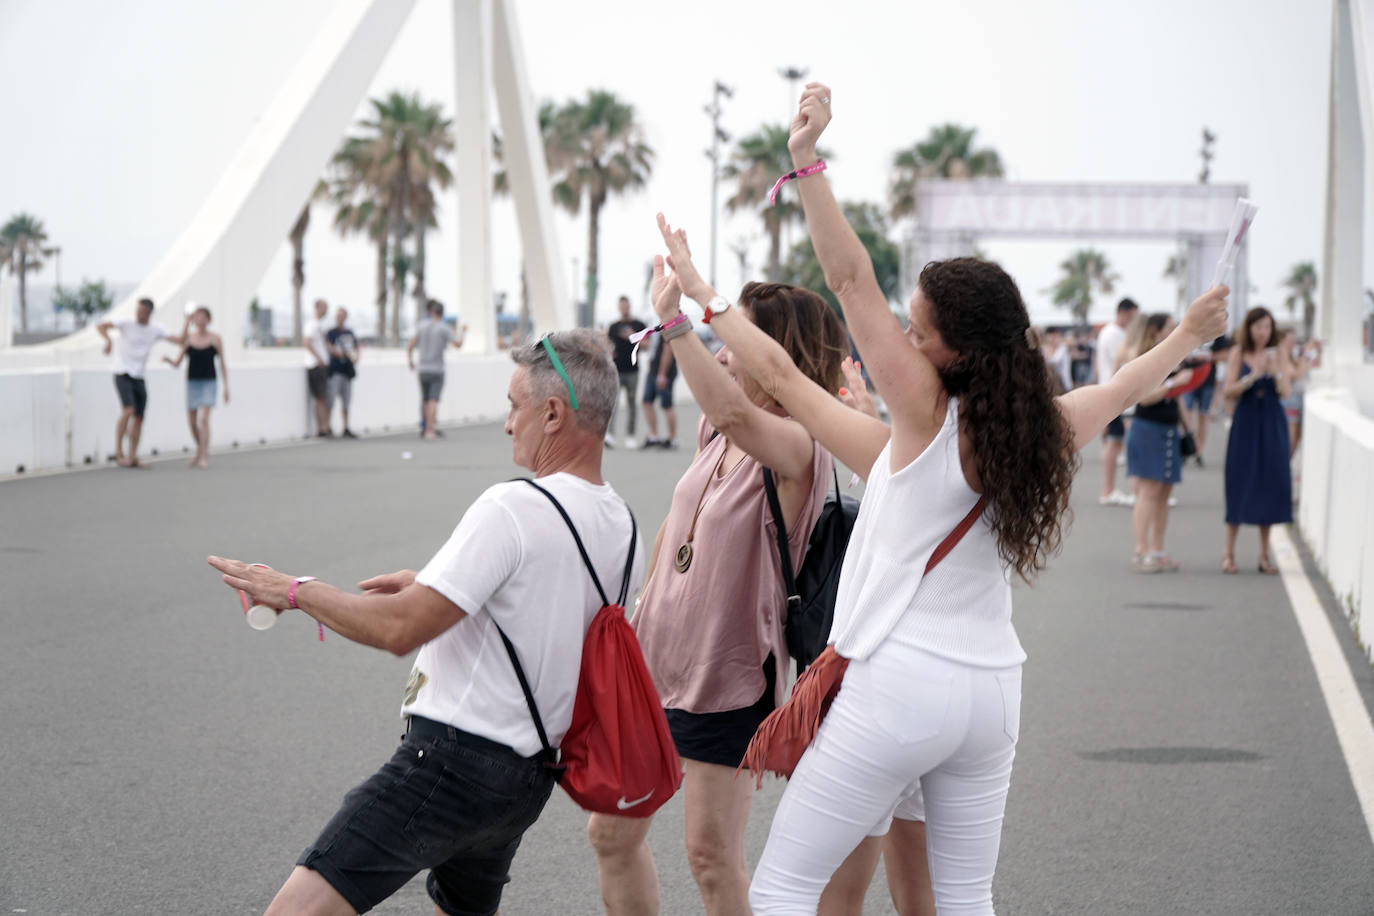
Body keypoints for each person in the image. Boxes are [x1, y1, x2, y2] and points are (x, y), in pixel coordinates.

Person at [653, 83, 1229, 915]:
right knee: (965, 898)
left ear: (954, 352)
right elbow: (1130, 383)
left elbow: (841, 291)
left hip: (898, 684)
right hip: (993, 695)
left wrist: (799, 171)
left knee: (780, 888)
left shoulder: (922, 417)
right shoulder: (1040, 427)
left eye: (919, 331)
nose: (907, 340)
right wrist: (1187, 335)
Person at [208, 329, 639, 916]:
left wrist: (293, 590)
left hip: (450, 765)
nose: (508, 423)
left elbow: (399, 630)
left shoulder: (511, 507)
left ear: (554, 413)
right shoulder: (622, 522)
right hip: (525, 779)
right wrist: (440, 588)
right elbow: (549, 615)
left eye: (515, 406)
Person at [587, 271, 859, 916]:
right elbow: (678, 526)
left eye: (736, 340)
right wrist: (636, 616)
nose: (724, 353)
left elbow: (734, 410)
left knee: (711, 856)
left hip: (729, 672)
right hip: (657, 660)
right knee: (610, 833)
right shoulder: (716, 435)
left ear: (778, 354)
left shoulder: (799, 445)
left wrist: (676, 319)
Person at [1221, 306, 1292, 574]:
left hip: (1272, 421)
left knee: (1271, 483)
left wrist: (1273, 372)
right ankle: (1228, 554)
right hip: (1247, 421)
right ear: (1249, 328)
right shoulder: (1239, 352)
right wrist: (1252, 376)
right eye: (1258, 326)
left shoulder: (1279, 353)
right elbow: (1228, 389)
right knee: (1238, 480)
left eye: (1267, 327)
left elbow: (1285, 391)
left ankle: (1264, 555)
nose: (1263, 332)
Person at [1120, 313, 1192, 573]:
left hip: (1168, 429)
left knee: (1164, 493)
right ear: (1155, 331)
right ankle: (1141, 550)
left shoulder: (1170, 358)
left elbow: (1176, 397)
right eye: (1170, 327)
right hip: (1148, 428)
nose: (1174, 331)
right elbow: (1144, 398)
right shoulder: (1145, 357)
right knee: (1149, 492)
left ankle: (1157, 550)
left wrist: (1189, 429)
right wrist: (1175, 382)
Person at [96, 297, 188, 468]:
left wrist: (187, 322)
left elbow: (180, 341)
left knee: (139, 417)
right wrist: (108, 341)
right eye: (137, 311)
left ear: (149, 313)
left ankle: (132, 457)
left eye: (142, 312)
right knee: (128, 409)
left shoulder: (155, 329)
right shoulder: (126, 322)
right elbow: (101, 326)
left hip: (139, 375)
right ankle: (119, 453)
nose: (138, 315)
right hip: (122, 372)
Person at [162, 304, 228, 469]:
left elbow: (223, 364)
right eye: (197, 317)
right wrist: (169, 360)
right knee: (192, 422)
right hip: (192, 383)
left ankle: (204, 455)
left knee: (204, 419)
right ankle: (200, 449)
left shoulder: (215, 339)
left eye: (203, 317)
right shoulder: (189, 339)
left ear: (208, 319)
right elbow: (178, 362)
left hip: (209, 382)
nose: (200, 320)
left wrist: (226, 387)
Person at [1096, 297, 1140, 505]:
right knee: (1115, 443)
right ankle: (1109, 489)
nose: (1134, 321)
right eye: (1132, 316)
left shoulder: (1109, 332)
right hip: (1116, 394)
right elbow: (1123, 363)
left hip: (1112, 391)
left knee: (1115, 442)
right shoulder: (1115, 334)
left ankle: (1110, 489)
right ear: (1124, 313)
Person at [408, 299, 466, 441]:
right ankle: (430, 429)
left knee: (425, 399)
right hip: (437, 369)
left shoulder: (421, 325)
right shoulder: (443, 327)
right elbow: (458, 344)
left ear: (430, 311)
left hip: (422, 368)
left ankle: (424, 426)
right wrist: (463, 332)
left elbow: (411, 344)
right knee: (433, 400)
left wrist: (409, 360)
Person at [1181, 335, 1231, 467]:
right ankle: (1187, 446)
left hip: (1207, 381)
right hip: (1188, 379)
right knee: (1187, 415)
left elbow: (1226, 355)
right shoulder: (1190, 328)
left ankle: (1198, 451)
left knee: (1203, 416)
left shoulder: (1219, 335)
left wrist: (1208, 357)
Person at [607, 295, 648, 448]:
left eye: (626, 306)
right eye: (621, 306)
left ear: (629, 306)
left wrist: (632, 336)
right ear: (619, 308)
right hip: (616, 370)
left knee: (631, 403)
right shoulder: (613, 326)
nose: (624, 308)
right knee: (612, 404)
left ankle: (630, 435)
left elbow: (648, 345)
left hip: (633, 371)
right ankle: (610, 435)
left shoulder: (638, 324)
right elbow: (608, 346)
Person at [1278, 328, 1321, 459]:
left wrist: (1317, 351)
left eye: (1294, 341)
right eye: (1289, 340)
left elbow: (1315, 364)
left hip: (1296, 402)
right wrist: (1307, 352)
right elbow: (1298, 374)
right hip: (1289, 403)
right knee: (1290, 442)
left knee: (1296, 439)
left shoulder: (1293, 357)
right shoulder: (1281, 356)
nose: (1292, 343)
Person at [325, 306, 360, 438]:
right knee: (331, 400)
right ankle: (327, 427)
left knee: (346, 401)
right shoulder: (331, 333)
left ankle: (346, 427)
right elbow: (330, 348)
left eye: (342, 316)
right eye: (337, 316)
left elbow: (356, 348)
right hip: (335, 372)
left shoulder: (349, 333)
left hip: (347, 372)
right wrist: (343, 354)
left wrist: (356, 357)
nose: (339, 318)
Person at [640, 334, 678, 449]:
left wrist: (662, 374)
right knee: (646, 401)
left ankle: (672, 439)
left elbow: (668, 350)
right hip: (653, 370)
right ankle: (654, 435)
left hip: (663, 373)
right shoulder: (658, 328)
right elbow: (652, 346)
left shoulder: (668, 327)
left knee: (667, 405)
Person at [303, 298, 332, 437]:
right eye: (324, 307)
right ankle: (321, 428)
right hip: (315, 366)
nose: (326, 310)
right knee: (319, 397)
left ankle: (325, 427)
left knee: (323, 398)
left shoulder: (319, 325)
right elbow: (307, 342)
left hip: (321, 366)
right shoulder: (312, 324)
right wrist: (319, 359)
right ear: (317, 307)